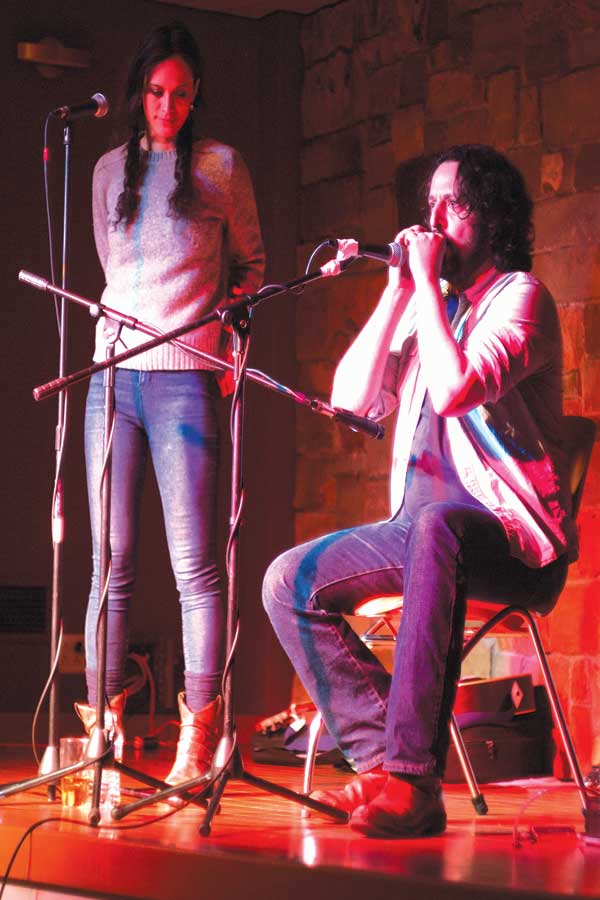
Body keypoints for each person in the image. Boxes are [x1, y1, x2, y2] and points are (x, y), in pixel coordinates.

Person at [262, 144, 577, 838]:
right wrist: (397, 294)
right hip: (422, 531)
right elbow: (348, 400)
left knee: (439, 527)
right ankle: (386, 762)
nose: (433, 218)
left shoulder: (521, 298)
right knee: (288, 579)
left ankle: (412, 779)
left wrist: (430, 294)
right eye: (429, 203)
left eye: (453, 204)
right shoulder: (424, 306)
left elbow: (460, 387)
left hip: (510, 541)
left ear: (491, 217)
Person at [76, 21, 265, 788]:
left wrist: (229, 322)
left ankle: (198, 733)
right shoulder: (104, 170)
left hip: (186, 377)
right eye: (156, 92)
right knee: (108, 564)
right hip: (111, 379)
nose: (167, 106)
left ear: (195, 99)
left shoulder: (221, 166)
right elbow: (110, 266)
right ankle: (103, 728)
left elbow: (251, 266)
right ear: (137, 94)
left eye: (181, 95)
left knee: (195, 567)